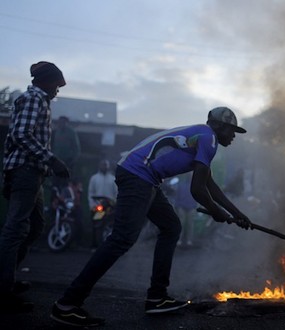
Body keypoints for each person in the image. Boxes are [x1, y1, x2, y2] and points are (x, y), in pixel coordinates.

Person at [51, 106, 252, 327]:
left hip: (145, 178)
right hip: (139, 176)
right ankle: (67, 305)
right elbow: (197, 190)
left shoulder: (201, 135)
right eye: (231, 130)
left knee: (171, 227)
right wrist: (216, 212)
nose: (233, 136)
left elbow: (209, 185)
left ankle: (157, 297)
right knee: (121, 239)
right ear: (218, 126)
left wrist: (238, 214)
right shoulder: (209, 138)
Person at [0, 61, 69, 313]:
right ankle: (4, 289)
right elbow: (20, 135)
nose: (57, 91)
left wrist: (48, 166)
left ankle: (7, 279)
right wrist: (52, 159)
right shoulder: (34, 99)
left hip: (34, 174)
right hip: (24, 172)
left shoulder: (40, 101)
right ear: (45, 81)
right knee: (16, 229)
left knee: (35, 226)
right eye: (56, 85)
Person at [87, 159, 117, 248]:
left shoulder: (113, 178)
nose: (104, 166)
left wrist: (114, 204)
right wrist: (92, 205)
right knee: (97, 226)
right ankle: (95, 246)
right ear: (99, 166)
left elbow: (116, 193)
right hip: (98, 207)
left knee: (110, 225)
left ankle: (109, 246)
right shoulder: (94, 178)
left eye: (106, 165)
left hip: (110, 207)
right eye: (103, 164)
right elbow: (90, 193)